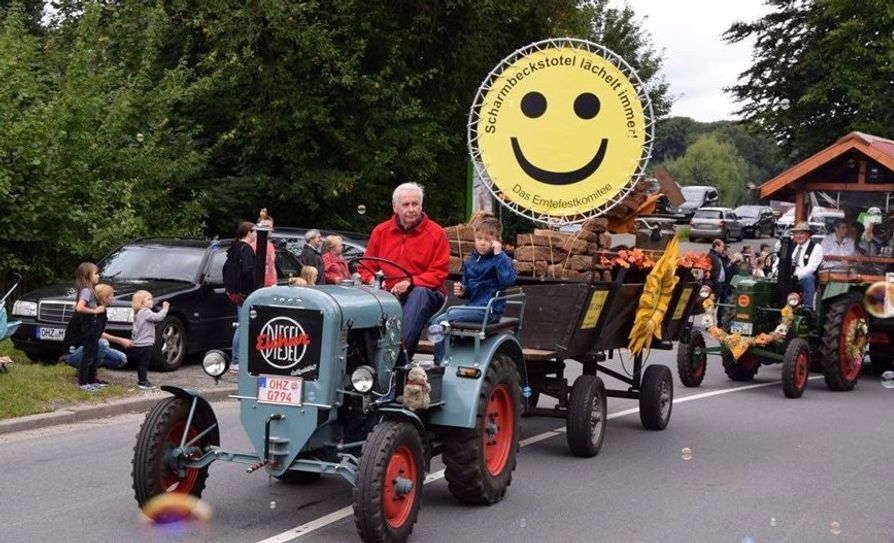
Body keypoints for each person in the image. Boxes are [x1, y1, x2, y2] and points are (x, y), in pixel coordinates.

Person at [361, 182, 450, 360]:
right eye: (406, 204)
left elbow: (439, 272)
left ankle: (396, 356)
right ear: (395, 207)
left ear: (421, 205)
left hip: (427, 291)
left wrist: (411, 282)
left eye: (415, 204)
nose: (411, 209)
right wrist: (374, 281)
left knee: (419, 294)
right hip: (387, 292)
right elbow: (366, 267)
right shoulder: (380, 231)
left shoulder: (436, 233)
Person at [433, 216, 516, 362]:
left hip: (489, 311)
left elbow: (508, 280)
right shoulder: (471, 261)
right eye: (479, 238)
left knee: (440, 322)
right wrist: (463, 290)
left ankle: (440, 363)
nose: (482, 243)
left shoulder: (501, 259)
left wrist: (499, 255)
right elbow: (468, 289)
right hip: (473, 308)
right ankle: (450, 356)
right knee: (438, 319)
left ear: (496, 241)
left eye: (487, 239)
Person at [64, 283, 131, 370]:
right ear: (104, 298)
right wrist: (119, 340)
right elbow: (95, 334)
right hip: (75, 350)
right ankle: (89, 369)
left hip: (89, 346)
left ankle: (91, 363)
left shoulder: (102, 311)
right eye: (111, 296)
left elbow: (98, 333)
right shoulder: (91, 312)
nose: (113, 298)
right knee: (102, 344)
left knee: (121, 359)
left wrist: (121, 340)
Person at [226, 221, 257, 370]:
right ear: (249, 232)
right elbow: (248, 270)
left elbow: (227, 268)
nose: (257, 235)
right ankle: (237, 359)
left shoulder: (234, 247)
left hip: (235, 291)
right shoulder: (246, 249)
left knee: (241, 323)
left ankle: (238, 358)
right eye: (255, 232)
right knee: (243, 324)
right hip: (244, 292)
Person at [73, 262, 105, 392]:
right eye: (96, 273)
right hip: (89, 326)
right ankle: (83, 382)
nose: (98, 276)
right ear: (87, 275)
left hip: (94, 326)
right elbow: (79, 307)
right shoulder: (86, 290)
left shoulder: (90, 290)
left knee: (94, 353)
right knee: (88, 354)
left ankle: (92, 380)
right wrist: (95, 311)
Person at [131, 290, 170, 390]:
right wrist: (165, 309)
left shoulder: (138, 313)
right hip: (145, 343)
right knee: (144, 363)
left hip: (139, 343)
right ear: (141, 302)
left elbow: (136, 329)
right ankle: (143, 381)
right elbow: (158, 317)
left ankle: (142, 380)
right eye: (149, 299)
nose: (151, 301)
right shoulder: (146, 312)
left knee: (141, 363)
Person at [789, 221, 824, 310]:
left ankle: (808, 308)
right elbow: (778, 262)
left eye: (802, 233)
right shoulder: (790, 247)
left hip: (802, 280)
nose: (798, 236)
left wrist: (794, 274)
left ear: (808, 235)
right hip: (788, 278)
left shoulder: (816, 248)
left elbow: (810, 269)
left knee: (809, 277)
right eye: (796, 233)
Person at [250, 211, 277, 287]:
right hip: (258, 284)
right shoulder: (253, 245)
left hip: (271, 284)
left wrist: (275, 283)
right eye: (265, 226)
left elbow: (273, 265)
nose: (268, 229)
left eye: (270, 226)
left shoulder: (271, 246)